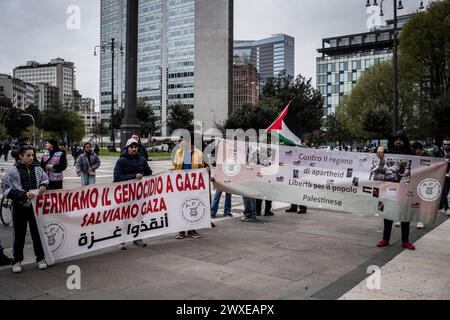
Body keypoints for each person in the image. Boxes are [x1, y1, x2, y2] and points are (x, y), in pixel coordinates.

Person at [2, 145, 49, 273]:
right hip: (19, 206)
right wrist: (23, 194)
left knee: (37, 232)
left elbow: (45, 179)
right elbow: (6, 189)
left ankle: (40, 258)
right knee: (19, 234)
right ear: (21, 156)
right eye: (28, 155)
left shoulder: (38, 168)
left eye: (32, 155)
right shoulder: (12, 171)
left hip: (35, 207)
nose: (31, 158)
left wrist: (43, 185)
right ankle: (17, 261)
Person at [376, 130, 415, 250]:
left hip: (405, 188)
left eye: (401, 140)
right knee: (388, 213)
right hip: (389, 189)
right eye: (396, 140)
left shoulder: (411, 153)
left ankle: (405, 240)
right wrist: (379, 148)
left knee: (404, 214)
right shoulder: (387, 152)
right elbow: (376, 155)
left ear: (404, 141)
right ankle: (385, 239)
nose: (398, 142)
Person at [114, 138, 152, 249]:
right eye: (131, 147)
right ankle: (122, 240)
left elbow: (149, 173)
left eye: (135, 147)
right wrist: (134, 176)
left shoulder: (142, 160)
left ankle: (137, 238)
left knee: (138, 217)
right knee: (125, 218)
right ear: (127, 148)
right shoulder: (121, 161)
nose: (134, 149)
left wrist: (145, 176)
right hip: (125, 195)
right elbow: (117, 177)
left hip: (139, 194)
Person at [171, 133, 204, 239]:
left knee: (193, 205)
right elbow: (174, 166)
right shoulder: (178, 152)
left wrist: (206, 170)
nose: (181, 142)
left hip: (193, 186)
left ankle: (191, 229)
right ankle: (181, 230)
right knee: (181, 205)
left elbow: (202, 167)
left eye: (183, 140)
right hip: (181, 185)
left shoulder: (199, 153)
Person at [436, 138, 450, 216]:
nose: (446, 146)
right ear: (442, 144)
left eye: (448, 144)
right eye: (445, 144)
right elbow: (435, 161)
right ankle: (446, 208)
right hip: (444, 174)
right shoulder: (439, 152)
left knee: (444, 193)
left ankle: (441, 206)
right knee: (444, 193)